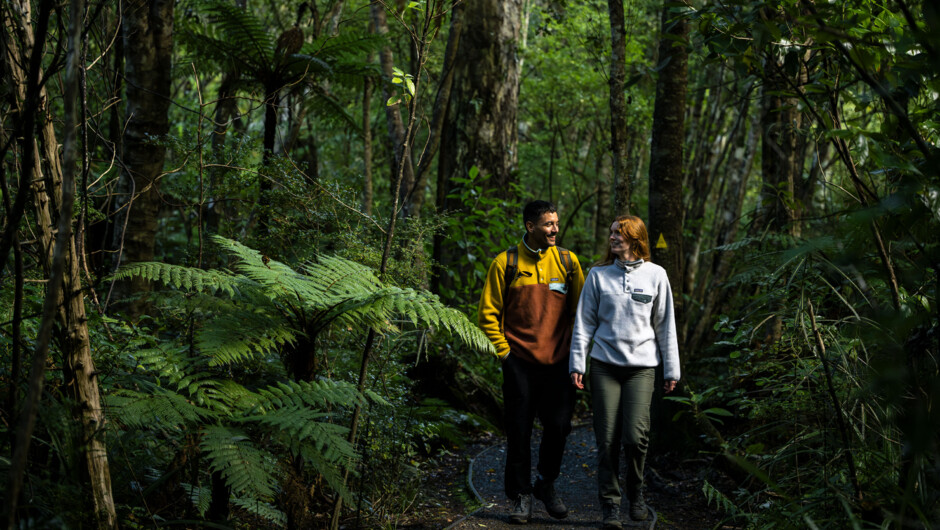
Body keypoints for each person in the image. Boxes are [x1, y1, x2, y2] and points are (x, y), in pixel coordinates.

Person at [568, 215, 680, 530]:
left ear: (635, 238)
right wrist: (577, 363)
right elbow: (584, 323)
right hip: (604, 366)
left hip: (641, 369)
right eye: (612, 232)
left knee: (635, 437)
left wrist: (671, 369)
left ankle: (636, 492)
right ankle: (610, 506)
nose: (613, 237)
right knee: (606, 440)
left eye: (620, 233)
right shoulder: (598, 275)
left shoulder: (656, 275)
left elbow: (665, 325)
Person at [478, 200, 585, 524]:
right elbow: (487, 315)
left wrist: (577, 355)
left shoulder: (568, 261)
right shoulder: (505, 263)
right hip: (519, 362)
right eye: (549, 224)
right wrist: (505, 354)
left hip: (559, 362)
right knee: (519, 430)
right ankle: (521, 496)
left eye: (556, 223)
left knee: (559, 426)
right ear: (530, 226)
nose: (555, 229)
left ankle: (545, 483)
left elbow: (581, 313)